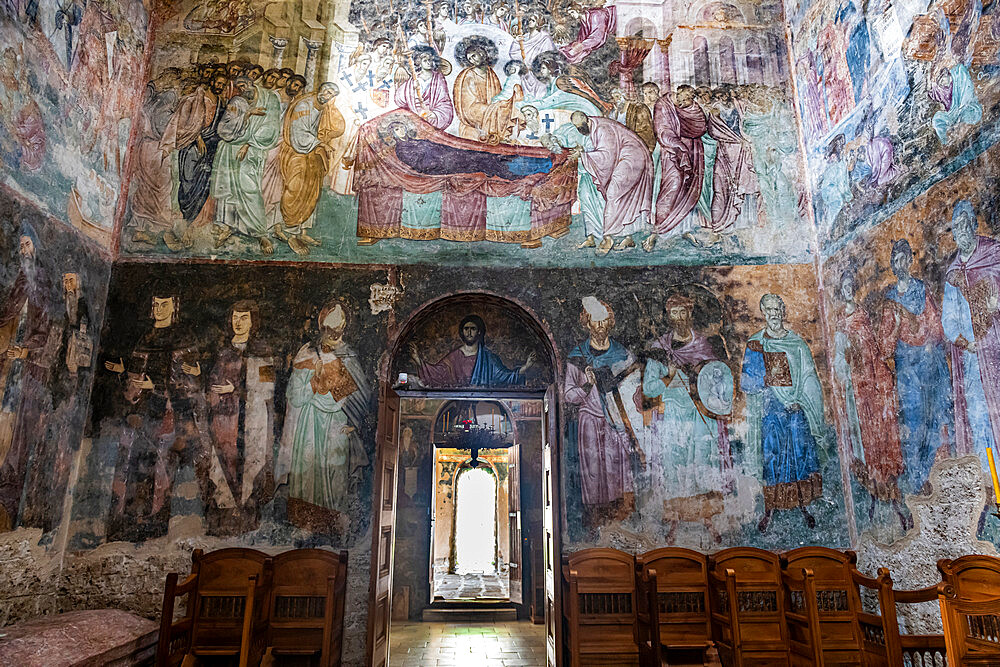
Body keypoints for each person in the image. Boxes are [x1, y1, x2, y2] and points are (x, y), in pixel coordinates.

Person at [104, 289, 208, 541]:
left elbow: (189, 377)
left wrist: (158, 387)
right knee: (134, 464)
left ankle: (156, 521)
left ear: (175, 305)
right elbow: (136, 376)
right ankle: (129, 520)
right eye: (157, 304)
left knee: (162, 469)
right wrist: (126, 374)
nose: (160, 309)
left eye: (165, 304)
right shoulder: (145, 337)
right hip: (142, 415)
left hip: (168, 415)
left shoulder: (184, 338)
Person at [642, 293, 731, 543]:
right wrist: (667, 376)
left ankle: (706, 519)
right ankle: (674, 520)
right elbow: (649, 389)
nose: (679, 318)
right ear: (668, 316)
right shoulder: (660, 348)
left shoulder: (703, 345)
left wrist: (702, 378)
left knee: (701, 465)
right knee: (675, 468)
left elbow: (717, 377)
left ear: (690, 313)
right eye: (674, 313)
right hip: (672, 416)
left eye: (683, 312)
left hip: (699, 414)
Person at [278, 300, 372, 535]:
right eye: (328, 323)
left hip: (336, 425)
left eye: (338, 323)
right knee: (308, 478)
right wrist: (313, 379)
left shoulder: (349, 356)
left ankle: (334, 528)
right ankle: (307, 527)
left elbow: (363, 397)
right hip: (309, 425)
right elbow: (294, 396)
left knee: (335, 479)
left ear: (345, 324)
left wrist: (355, 424)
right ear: (321, 323)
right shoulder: (307, 353)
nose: (333, 329)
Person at [741, 294, 827, 533]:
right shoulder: (756, 344)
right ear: (763, 312)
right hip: (771, 411)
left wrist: (800, 400)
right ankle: (771, 509)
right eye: (768, 309)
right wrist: (765, 379)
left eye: (777, 309)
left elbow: (809, 377)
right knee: (774, 457)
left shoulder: (796, 344)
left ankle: (803, 506)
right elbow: (747, 383)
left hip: (796, 411)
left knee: (799, 455)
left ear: (783, 311)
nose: (774, 313)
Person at [879, 239, 953, 495]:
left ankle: (936, 474)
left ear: (910, 260)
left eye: (904, 258)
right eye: (896, 259)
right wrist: (898, 324)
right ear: (893, 265)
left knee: (934, 419)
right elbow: (886, 345)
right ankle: (917, 481)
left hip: (928, 365)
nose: (901, 263)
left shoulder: (921, 289)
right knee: (912, 424)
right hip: (907, 372)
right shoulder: (890, 300)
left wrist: (929, 341)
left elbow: (935, 326)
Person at [833, 271, 907, 528]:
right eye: (844, 288)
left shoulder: (864, 314)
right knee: (868, 439)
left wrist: (881, 376)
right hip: (858, 387)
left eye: (850, 286)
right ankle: (877, 491)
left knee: (884, 433)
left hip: (874, 382)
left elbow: (874, 347)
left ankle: (892, 492)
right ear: (840, 292)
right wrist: (849, 365)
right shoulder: (841, 321)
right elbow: (839, 360)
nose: (848, 291)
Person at [565, 297, 642, 529]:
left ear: (610, 323)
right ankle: (596, 524)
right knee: (593, 474)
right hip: (589, 419)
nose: (599, 327)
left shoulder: (624, 356)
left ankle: (619, 522)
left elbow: (636, 393)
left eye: (603, 321)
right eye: (594, 321)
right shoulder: (576, 357)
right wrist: (587, 385)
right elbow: (568, 395)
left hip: (616, 421)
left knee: (616, 469)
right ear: (587, 324)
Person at [204, 300, 276, 535]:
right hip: (225, 423)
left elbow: (268, 388)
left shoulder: (263, 351)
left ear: (253, 321)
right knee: (222, 468)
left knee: (251, 468)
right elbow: (212, 385)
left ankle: (247, 519)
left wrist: (235, 390)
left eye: (244, 318)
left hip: (252, 422)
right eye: (235, 317)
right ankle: (223, 520)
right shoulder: (223, 352)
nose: (238, 322)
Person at [0, 225, 52, 531]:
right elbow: (9, 311)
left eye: (27, 244)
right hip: (9, 358)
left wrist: (27, 350)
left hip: (27, 365)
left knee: (18, 423)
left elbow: (45, 331)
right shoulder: (20, 281)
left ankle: (10, 480)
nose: (23, 250)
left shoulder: (41, 283)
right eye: (20, 246)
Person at [942, 201, 1000, 469]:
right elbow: (948, 321)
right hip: (973, 357)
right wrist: (967, 344)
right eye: (957, 228)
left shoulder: (993, 254)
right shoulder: (953, 275)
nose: (962, 232)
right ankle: (993, 483)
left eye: (966, 225)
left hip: (996, 350)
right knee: (979, 419)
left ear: (975, 226)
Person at [211, 76, 282, 254]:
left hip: (252, 150)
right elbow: (224, 128)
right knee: (227, 192)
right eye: (239, 87)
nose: (243, 89)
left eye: (245, 85)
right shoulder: (237, 101)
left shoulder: (269, 99)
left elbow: (271, 127)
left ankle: (260, 232)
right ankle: (227, 227)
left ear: (252, 83)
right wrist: (247, 114)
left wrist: (248, 144)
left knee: (250, 190)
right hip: (229, 150)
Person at [569, 111, 652, 255]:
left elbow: (606, 157)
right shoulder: (594, 126)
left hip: (633, 157)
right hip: (625, 156)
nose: (580, 130)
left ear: (587, 120)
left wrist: (583, 155)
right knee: (625, 198)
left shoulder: (602, 129)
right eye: (577, 127)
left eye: (581, 126)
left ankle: (608, 237)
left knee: (614, 193)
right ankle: (628, 237)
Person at [278, 82, 345, 255]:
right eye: (326, 91)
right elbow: (298, 133)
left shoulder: (325, 107)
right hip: (297, 153)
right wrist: (320, 143)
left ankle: (303, 231)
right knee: (295, 190)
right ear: (320, 89)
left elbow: (337, 128)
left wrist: (330, 110)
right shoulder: (304, 104)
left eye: (331, 94)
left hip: (313, 153)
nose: (327, 95)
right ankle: (291, 233)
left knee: (311, 192)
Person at [159, 70, 229, 227]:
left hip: (210, 146)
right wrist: (197, 137)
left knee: (203, 181)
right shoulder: (195, 99)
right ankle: (183, 213)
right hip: (191, 144)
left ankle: (194, 219)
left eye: (223, 85)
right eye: (218, 83)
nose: (220, 86)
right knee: (188, 179)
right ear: (211, 82)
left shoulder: (220, 102)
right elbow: (183, 122)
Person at [647, 85, 707, 251]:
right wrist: (678, 144)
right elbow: (662, 130)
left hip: (693, 150)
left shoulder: (692, 107)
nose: (685, 102)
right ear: (677, 92)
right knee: (672, 186)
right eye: (683, 98)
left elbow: (700, 125)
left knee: (687, 189)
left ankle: (684, 229)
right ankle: (659, 229)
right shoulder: (663, 104)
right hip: (673, 152)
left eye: (688, 99)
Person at [410, 314, 535, 387]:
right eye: (466, 329)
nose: (469, 332)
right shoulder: (454, 356)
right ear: (462, 332)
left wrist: (526, 367)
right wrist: (417, 360)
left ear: (479, 331)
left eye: (473, 329)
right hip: (455, 402)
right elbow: (437, 373)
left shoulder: (488, 358)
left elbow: (504, 376)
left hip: (483, 403)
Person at [453, 36, 517, 144]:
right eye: (470, 59)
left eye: (474, 56)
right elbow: (468, 109)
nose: (472, 60)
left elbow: (498, 98)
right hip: (473, 128)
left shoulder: (491, 74)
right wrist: (494, 110)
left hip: (491, 123)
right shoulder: (468, 76)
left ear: (482, 53)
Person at [394, 46, 455, 130]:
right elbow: (400, 99)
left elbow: (444, 101)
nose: (429, 63)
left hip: (431, 119)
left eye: (430, 60)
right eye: (425, 60)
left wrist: (435, 114)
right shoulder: (414, 79)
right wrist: (411, 89)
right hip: (415, 120)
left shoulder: (438, 78)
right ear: (419, 62)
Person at [930, 62, 982, 145]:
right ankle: (946, 142)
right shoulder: (944, 88)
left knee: (970, 116)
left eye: (942, 80)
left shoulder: (959, 73)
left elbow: (967, 97)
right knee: (937, 120)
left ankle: (954, 139)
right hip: (954, 113)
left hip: (965, 108)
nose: (942, 84)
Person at [609, 87, 655, 152]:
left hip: (636, 148)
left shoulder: (639, 109)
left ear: (624, 96)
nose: (616, 100)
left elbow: (645, 133)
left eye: (617, 96)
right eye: (613, 98)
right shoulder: (615, 112)